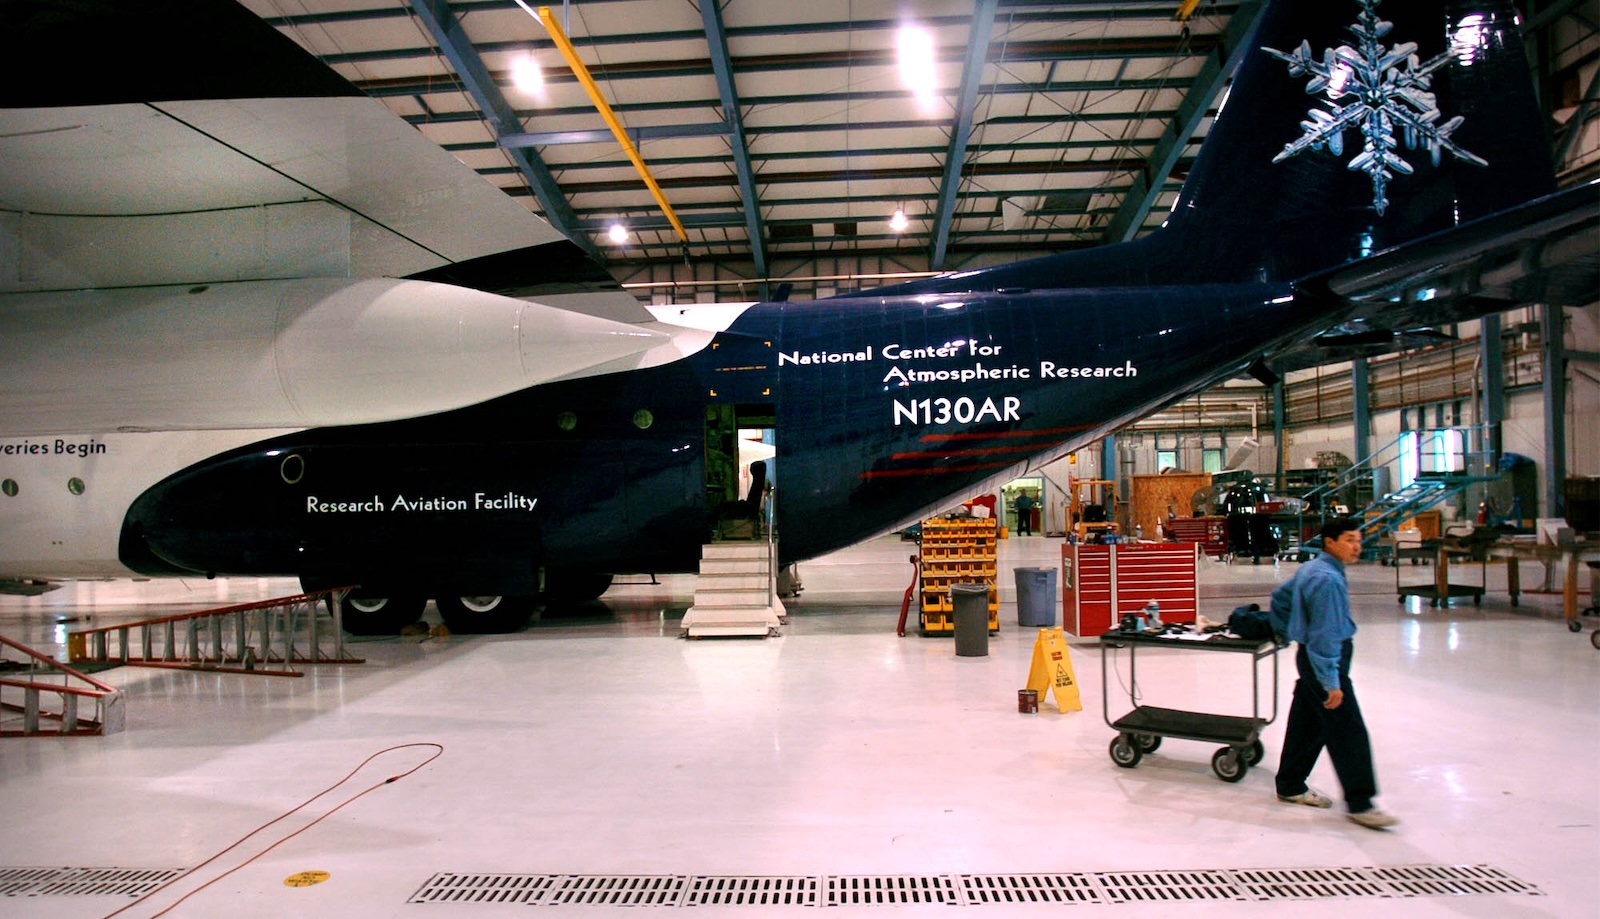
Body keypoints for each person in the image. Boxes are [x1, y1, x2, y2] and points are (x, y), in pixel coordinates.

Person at [1272, 518, 1398, 829]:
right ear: (1330, 542)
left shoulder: (1313, 569)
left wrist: (1289, 628)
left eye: (1359, 540)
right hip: (1325, 662)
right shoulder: (1327, 579)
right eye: (1349, 540)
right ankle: (1361, 803)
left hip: (1311, 659)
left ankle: (1290, 783)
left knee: (1308, 722)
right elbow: (1325, 636)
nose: (1357, 546)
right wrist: (1331, 680)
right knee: (1347, 730)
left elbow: (1281, 598)